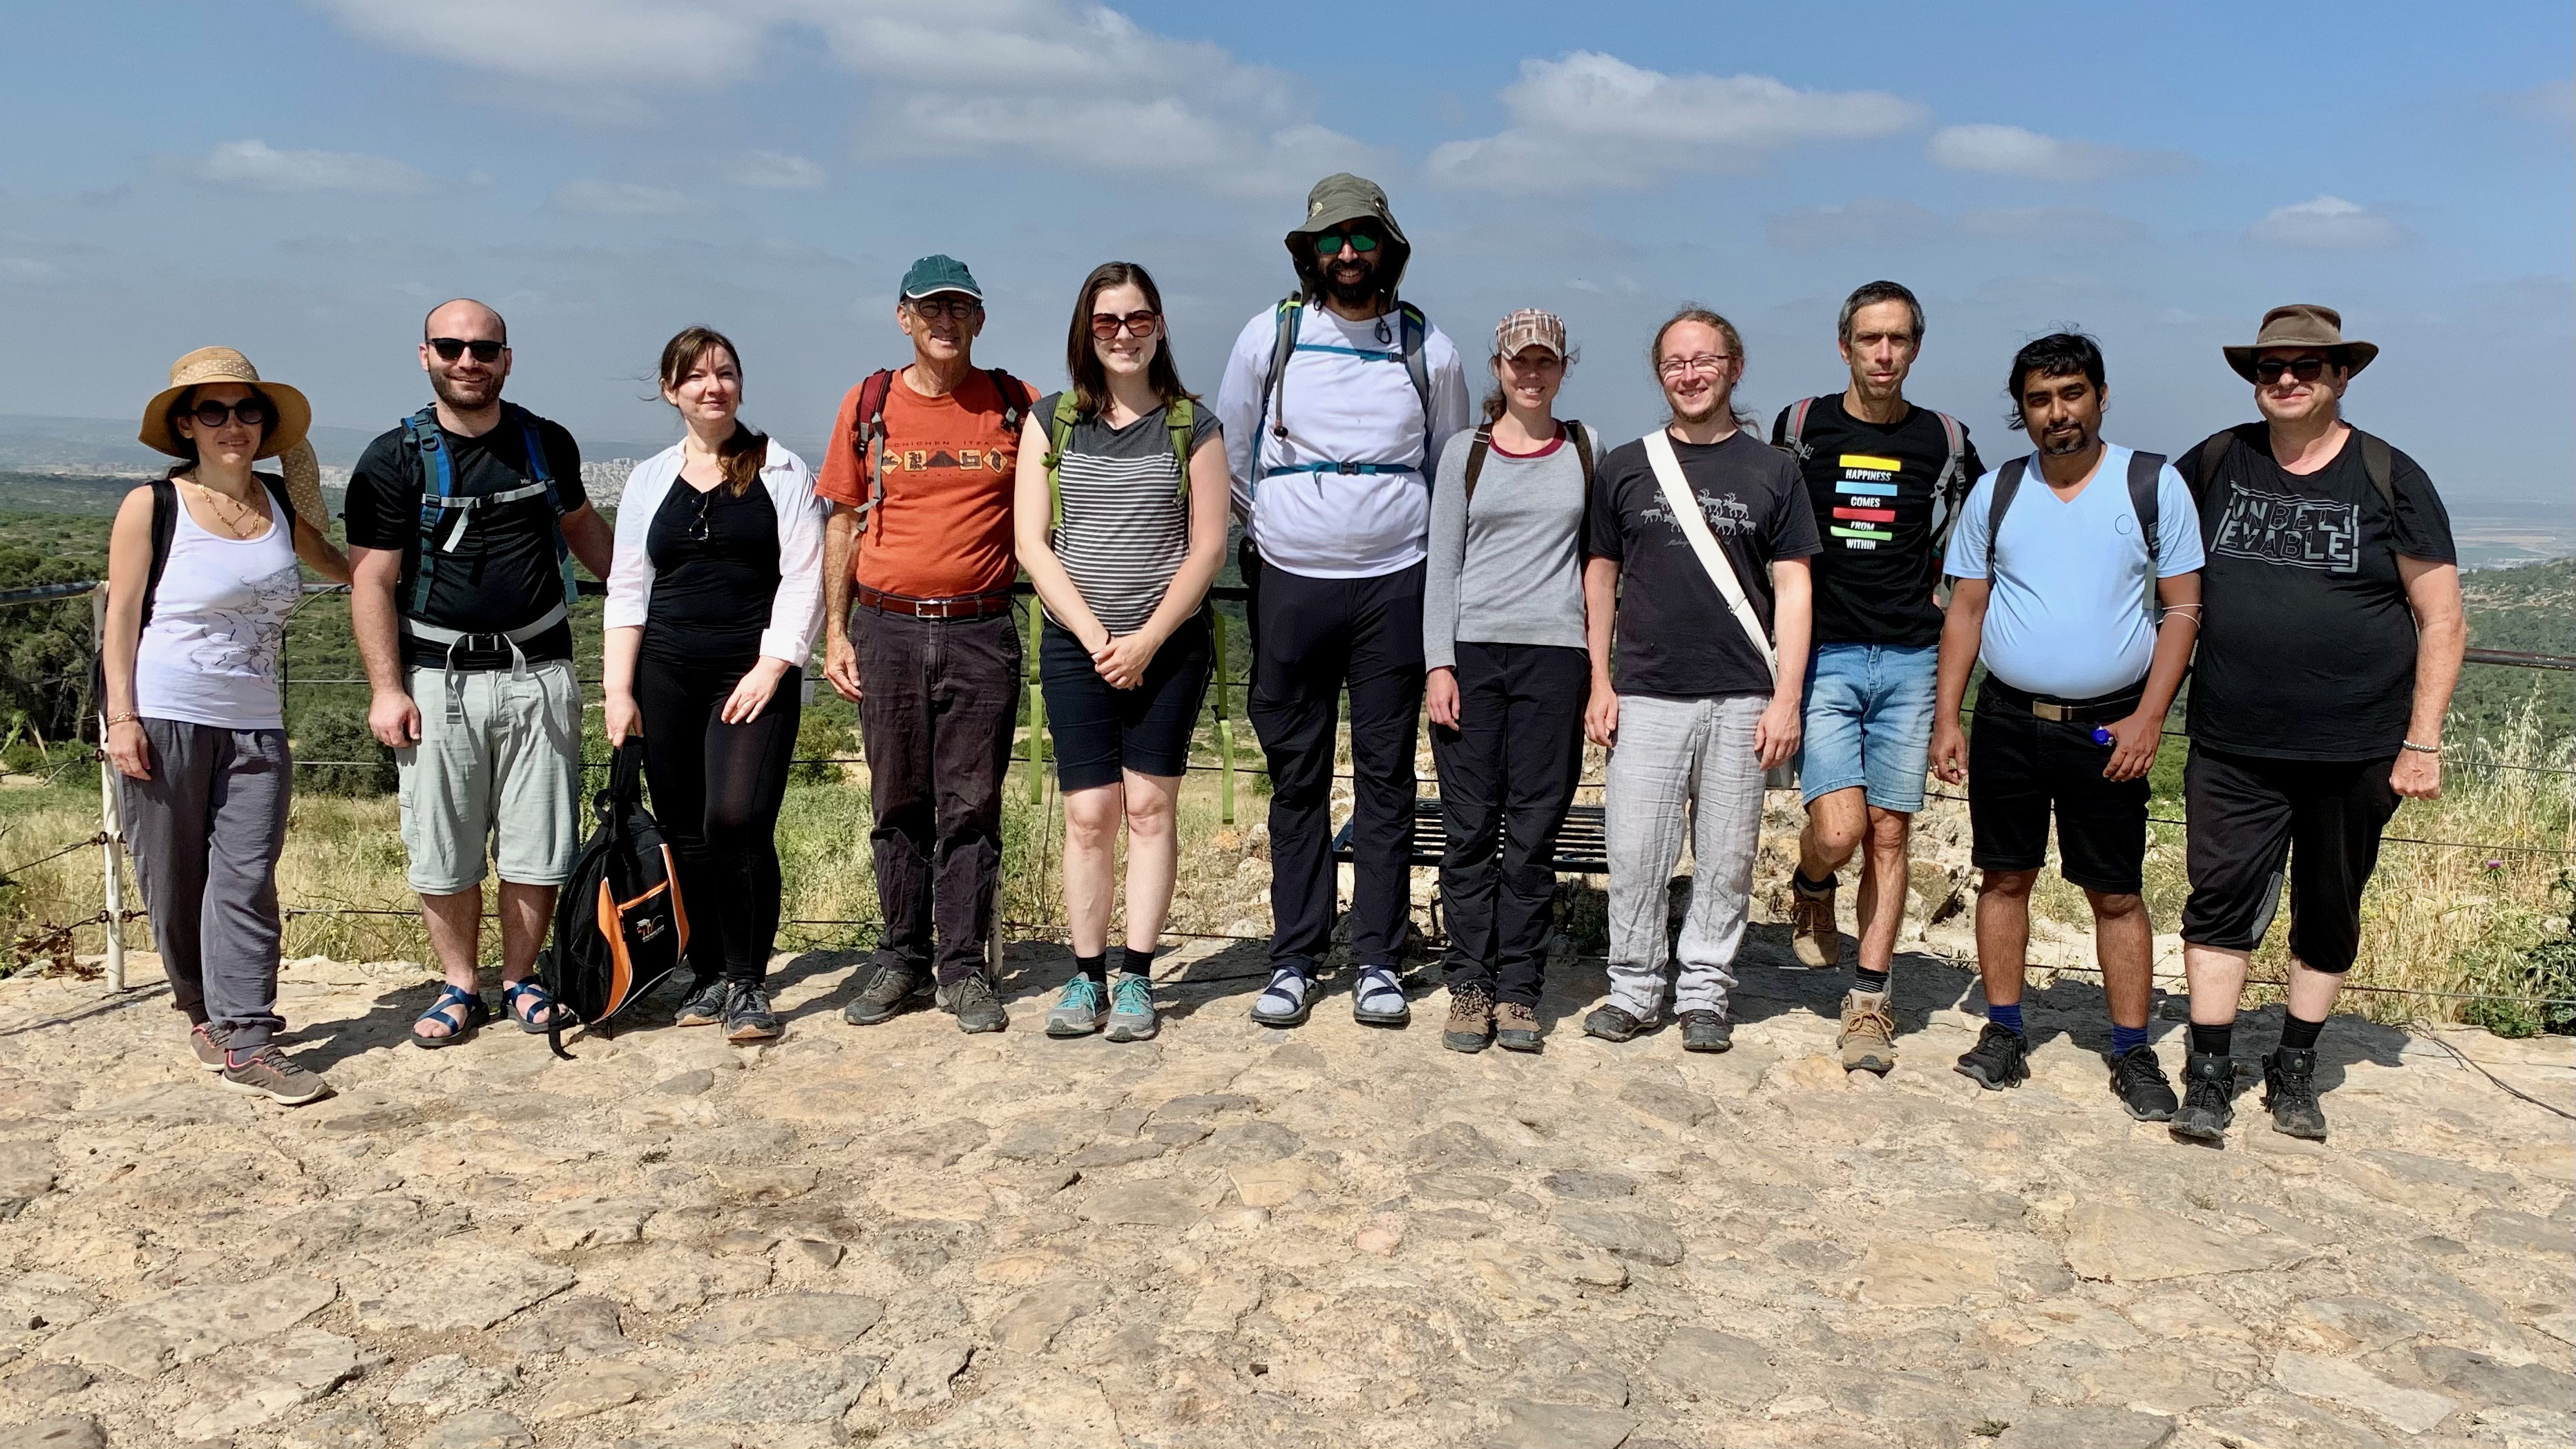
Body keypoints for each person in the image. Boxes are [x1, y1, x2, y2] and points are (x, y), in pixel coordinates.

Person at [2166, 306, 2463, 1146]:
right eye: (2272, 367)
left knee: (2330, 906)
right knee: (2217, 900)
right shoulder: (2217, 461)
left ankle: (2294, 1064)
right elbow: (2136, 542)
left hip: (2356, 745)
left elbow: (2442, 617)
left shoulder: (2388, 474)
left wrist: (2422, 740)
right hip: (2232, 738)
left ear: (2341, 376)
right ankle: (2209, 1072)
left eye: (2306, 366)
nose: (2287, 379)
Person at [1214, 173, 1471, 1029]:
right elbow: (1233, 452)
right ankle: (1295, 956)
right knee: (1298, 775)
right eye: (1332, 238)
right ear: (1310, 252)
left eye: (1362, 237)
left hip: (1398, 580)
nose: (1349, 253)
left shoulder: (1429, 348)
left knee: (1386, 776)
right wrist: (1277, 530)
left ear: (1388, 248)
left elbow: (1448, 468)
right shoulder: (1271, 336)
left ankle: (1378, 960)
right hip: (1292, 580)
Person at [1931, 331, 2204, 1120]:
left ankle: (2132, 1048)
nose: (2059, 413)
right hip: (2008, 718)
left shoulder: (2151, 483)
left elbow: (2184, 607)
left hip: (2109, 726)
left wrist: (2150, 719)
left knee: (2114, 891)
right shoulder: (1999, 491)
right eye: (2041, 400)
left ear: (2101, 396)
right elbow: (1967, 610)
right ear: (2022, 411)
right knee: (2004, 876)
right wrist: (1949, 717)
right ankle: (2004, 1029)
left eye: (2073, 394)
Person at [346, 299, 614, 1047]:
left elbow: (582, 528)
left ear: (507, 358)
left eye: (484, 349)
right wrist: (386, 688)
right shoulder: (390, 460)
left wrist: (651, 603)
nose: (468, 361)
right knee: (443, 844)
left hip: (539, 669)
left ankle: (521, 979)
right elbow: (371, 581)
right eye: (451, 347)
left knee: (539, 841)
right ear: (426, 355)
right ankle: (459, 984)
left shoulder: (545, 443)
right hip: (437, 678)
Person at [103, 347, 350, 1101]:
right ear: (186, 425)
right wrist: (121, 717)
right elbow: (120, 615)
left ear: (265, 424)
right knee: (174, 879)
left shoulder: (278, 504)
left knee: (246, 877)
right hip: (165, 713)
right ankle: (202, 1014)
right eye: (212, 410)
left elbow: (340, 565)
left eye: (247, 410)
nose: (231, 424)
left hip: (257, 724)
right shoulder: (153, 505)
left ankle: (247, 1034)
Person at [1582, 308, 1817, 1052]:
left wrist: (1787, 699)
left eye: (1705, 360)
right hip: (1646, 689)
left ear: (1734, 368)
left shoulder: (1774, 470)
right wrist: (1599, 680)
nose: (1690, 375)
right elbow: (1599, 576)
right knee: (1635, 854)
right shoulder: (1625, 466)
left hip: (1742, 692)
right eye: (1675, 363)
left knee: (1726, 858)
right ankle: (1633, 988)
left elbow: (1794, 587)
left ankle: (1706, 994)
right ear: (1661, 375)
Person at [818, 256, 1037, 1035]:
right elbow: (843, 521)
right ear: (904, 318)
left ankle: (964, 968)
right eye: (930, 309)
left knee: (971, 806)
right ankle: (901, 959)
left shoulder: (1017, 404)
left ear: (979, 320)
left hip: (980, 627)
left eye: (959, 309)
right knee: (896, 803)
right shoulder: (869, 403)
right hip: (887, 627)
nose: (946, 322)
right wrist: (835, 631)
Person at [1772, 280, 1984, 1075]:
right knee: (1840, 831)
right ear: (1845, 347)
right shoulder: (1802, 428)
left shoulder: (1945, 441)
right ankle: (1811, 881)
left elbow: (1977, 546)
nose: (1884, 354)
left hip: (1910, 658)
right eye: (1870, 339)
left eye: (1898, 339)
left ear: (1915, 348)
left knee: (1890, 832)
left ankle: (1869, 1001)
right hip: (1824, 652)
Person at [1015, 263, 1230, 1044]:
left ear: (1159, 326)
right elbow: (1032, 544)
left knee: (1148, 807)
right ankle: (1087, 974)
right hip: (1078, 644)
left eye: (1138, 319)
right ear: (1087, 330)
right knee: (1088, 813)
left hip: (1167, 646)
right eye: (1107, 321)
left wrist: (1145, 641)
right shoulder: (1051, 421)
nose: (1124, 334)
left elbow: (1208, 549)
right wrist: (1099, 639)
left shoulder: (1193, 426)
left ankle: (1137, 975)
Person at [602, 327, 825, 1044]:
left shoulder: (780, 469)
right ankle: (708, 972)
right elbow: (627, 589)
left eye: (725, 373)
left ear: (740, 385)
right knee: (685, 831)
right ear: (671, 391)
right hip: (664, 671)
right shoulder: (648, 480)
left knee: (737, 820)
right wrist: (617, 690)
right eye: (696, 376)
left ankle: (749, 980)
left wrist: (773, 666)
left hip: (751, 672)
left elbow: (805, 578)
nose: (713, 386)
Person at [1424, 309, 1597, 1054]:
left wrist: (1600, 670)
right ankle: (1469, 983)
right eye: (1519, 361)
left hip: (1555, 657)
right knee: (1468, 829)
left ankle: (1520, 986)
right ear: (1497, 367)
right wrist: (1438, 663)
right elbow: (1442, 563)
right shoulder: (1465, 453)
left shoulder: (1586, 449)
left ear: (1562, 368)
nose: (1532, 373)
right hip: (1472, 654)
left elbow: (1598, 566)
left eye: (1545, 361)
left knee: (1532, 831)